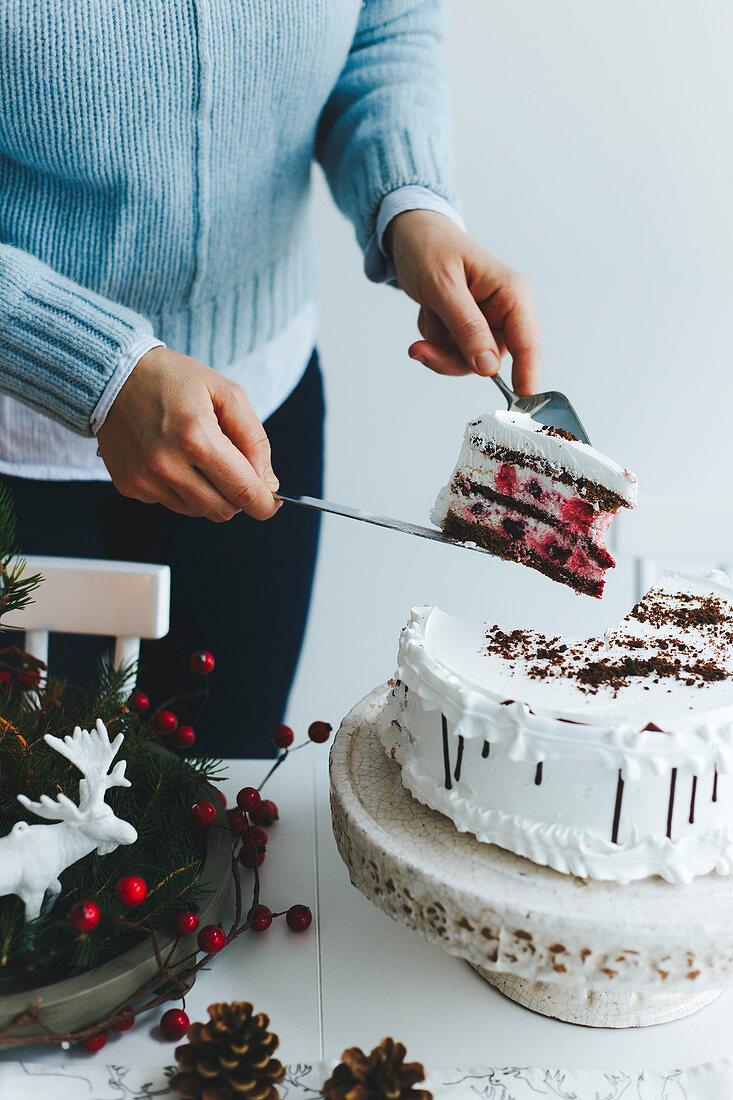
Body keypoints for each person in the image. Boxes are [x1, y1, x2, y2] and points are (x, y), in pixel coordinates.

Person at [0, 0, 540, 756]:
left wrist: (409, 200)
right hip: (14, 450)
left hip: (261, 405)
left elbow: (383, 26)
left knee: (219, 818)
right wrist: (95, 366)